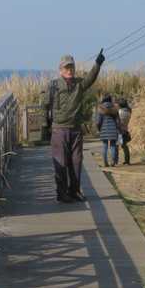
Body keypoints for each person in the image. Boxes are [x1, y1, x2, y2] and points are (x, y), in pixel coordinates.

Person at [44, 49, 104, 202]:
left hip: (76, 130)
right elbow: (44, 107)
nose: (69, 70)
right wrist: (45, 128)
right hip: (59, 130)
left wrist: (97, 64)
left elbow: (90, 79)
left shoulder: (79, 84)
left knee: (76, 161)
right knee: (61, 162)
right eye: (66, 67)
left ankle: (75, 191)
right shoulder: (53, 86)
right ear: (60, 70)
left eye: (71, 67)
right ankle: (62, 193)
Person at [95, 94, 123, 167]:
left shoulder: (100, 108)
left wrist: (99, 129)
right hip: (113, 129)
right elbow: (118, 121)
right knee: (113, 146)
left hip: (104, 129)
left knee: (105, 146)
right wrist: (119, 129)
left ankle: (105, 162)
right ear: (110, 99)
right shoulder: (114, 108)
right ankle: (113, 162)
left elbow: (98, 122)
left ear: (103, 99)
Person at [117, 97, 133, 164]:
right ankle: (127, 160)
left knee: (117, 145)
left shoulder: (120, 112)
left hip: (119, 131)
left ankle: (115, 160)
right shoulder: (129, 112)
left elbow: (117, 121)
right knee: (124, 145)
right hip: (125, 130)